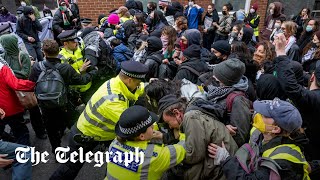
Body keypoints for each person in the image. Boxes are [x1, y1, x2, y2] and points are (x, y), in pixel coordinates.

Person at [50, 61, 148, 179]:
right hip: (84, 138)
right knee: (69, 169)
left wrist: (147, 85)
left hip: (94, 134)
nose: (139, 86)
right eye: (138, 83)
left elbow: (135, 90)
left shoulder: (116, 82)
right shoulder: (113, 101)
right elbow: (133, 124)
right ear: (129, 80)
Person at [208, 98, 310, 180]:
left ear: (275, 129)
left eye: (264, 115)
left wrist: (226, 160)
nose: (258, 114)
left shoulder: (283, 160)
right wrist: (229, 132)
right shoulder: (259, 132)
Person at [29, 39, 96, 154]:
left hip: (45, 105)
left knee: (51, 130)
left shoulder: (37, 67)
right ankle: (79, 148)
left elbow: (32, 83)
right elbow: (82, 80)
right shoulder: (65, 67)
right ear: (58, 51)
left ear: (44, 52)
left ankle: (57, 151)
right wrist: (93, 72)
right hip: (64, 103)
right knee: (75, 124)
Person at [158, 94, 238, 179]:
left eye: (168, 122)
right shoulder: (194, 111)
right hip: (224, 164)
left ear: (177, 113)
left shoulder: (191, 117)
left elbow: (194, 155)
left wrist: (169, 156)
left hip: (224, 169)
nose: (170, 127)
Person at [274, 33, 320, 164]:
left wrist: (281, 53)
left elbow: (291, 87)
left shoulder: (314, 99)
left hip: (311, 156)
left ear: (312, 77)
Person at [106, 105, 186, 179]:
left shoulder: (115, 143)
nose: (153, 126)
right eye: (151, 126)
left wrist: (152, 132)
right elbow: (183, 147)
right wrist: (180, 131)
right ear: (141, 136)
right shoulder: (154, 156)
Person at [0, 34, 47, 140]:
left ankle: (40, 131)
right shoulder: (3, 57)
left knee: (34, 112)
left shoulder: (22, 55)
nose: (3, 46)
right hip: (12, 91)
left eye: (4, 44)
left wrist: (9, 72)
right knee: (17, 118)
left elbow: (25, 73)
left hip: (25, 90)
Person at [206, 58, 251, 147]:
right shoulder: (220, 90)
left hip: (225, 148)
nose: (214, 77)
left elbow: (240, 136)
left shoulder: (238, 100)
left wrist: (222, 128)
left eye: (217, 76)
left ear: (226, 80)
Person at [0, 57, 35, 146]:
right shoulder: (2, 68)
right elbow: (15, 84)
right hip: (10, 108)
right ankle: (25, 155)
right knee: (21, 132)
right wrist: (32, 85)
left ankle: (11, 142)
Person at [57, 29, 93, 103]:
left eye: (76, 41)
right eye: (73, 42)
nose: (76, 43)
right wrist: (80, 71)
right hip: (75, 92)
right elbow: (66, 77)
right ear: (65, 44)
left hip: (89, 87)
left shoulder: (81, 49)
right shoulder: (61, 58)